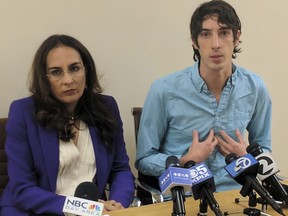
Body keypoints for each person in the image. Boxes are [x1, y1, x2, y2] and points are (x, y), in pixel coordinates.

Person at [135, 0, 272, 192]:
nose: (215, 44)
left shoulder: (255, 87)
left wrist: (248, 157)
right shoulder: (164, 90)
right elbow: (143, 160)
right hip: (185, 195)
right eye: (205, 34)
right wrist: (183, 162)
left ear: (236, 37)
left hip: (236, 194)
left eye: (224, 33)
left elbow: (264, 149)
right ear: (194, 40)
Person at [0, 34, 135, 215]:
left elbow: (120, 170)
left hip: (97, 212)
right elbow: (22, 189)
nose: (68, 80)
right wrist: (87, 209)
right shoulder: (23, 112)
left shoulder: (106, 107)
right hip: (35, 211)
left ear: (86, 70)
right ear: (44, 78)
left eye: (74, 68)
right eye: (56, 72)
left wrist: (116, 205)